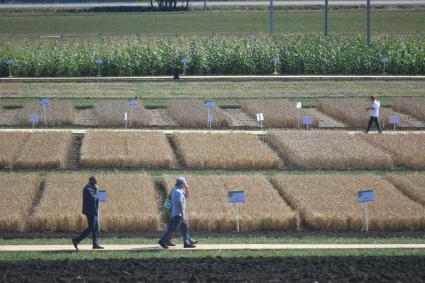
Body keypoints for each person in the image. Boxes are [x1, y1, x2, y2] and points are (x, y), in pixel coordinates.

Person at [159, 177, 196, 249]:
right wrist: (183, 216)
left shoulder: (179, 189)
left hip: (178, 214)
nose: (186, 184)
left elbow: (187, 196)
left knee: (185, 228)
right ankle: (162, 240)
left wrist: (187, 189)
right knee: (172, 229)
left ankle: (187, 243)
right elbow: (180, 204)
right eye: (185, 183)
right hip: (178, 215)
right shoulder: (177, 192)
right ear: (181, 183)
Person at [72, 176, 104, 251]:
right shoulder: (87, 189)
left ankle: (95, 244)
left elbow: (100, 199)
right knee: (91, 227)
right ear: (91, 181)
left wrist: (101, 195)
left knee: (96, 228)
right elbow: (93, 198)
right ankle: (76, 240)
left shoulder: (92, 188)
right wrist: (96, 190)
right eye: (95, 182)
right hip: (90, 211)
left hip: (95, 211)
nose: (96, 183)